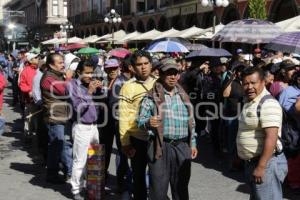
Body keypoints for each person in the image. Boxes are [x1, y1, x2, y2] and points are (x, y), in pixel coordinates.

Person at [137, 59, 198, 200]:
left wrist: (193, 143)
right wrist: (148, 122)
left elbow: (192, 122)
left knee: (181, 188)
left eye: (175, 73)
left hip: (182, 146)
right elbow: (139, 121)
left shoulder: (184, 96)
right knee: (158, 190)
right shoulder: (151, 96)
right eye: (168, 73)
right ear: (161, 75)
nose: (172, 77)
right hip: (160, 146)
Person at [237, 67, 288, 200]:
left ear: (263, 82)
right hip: (253, 163)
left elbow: (271, 137)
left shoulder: (268, 103)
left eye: (253, 83)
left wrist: (261, 167)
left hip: (266, 164)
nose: (249, 87)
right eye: (246, 83)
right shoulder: (249, 101)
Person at [119, 50, 156, 200]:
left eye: (146, 63)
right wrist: (125, 142)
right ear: (133, 68)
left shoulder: (158, 83)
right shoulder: (128, 87)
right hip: (137, 139)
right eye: (139, 64)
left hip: (156, 139)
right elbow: (124, 116)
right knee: (139, 176)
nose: (143, 67)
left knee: (157, 177)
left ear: (151, 65)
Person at [68, 60, 102, 200]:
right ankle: (76, 190)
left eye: (91, 72)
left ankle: (93, 189)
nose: (90, 75)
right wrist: (89, 92)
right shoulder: (72, 86)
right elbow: (78, 107)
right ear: (78, 73)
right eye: (87, 73)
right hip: (82, 127)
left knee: (94, 159)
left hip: (94, 127)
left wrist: (100, 89)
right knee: (80, 160)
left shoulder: (90, 84)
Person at [41, 53, 73, 184]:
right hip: (55, 117)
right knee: (57, 146)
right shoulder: (48, 78)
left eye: (63, 62)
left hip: (63, 115)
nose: (63, 65)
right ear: (50, 64)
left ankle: (66, 172)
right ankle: (54, 174)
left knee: (62, 145)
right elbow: (64, 91)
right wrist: (69, 78)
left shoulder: (58, 75)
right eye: (59, 62)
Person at [18, 53, 39, 138]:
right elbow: (21, 84)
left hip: (40, 99)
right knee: (29, 120)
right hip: (29, 100)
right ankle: (28, 137)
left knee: (38, 120)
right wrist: (29, 90)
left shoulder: (39, 69)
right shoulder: (26, 70)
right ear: (30, 60)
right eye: (35, 57)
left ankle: (38, 138)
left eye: (38, 57)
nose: (38, 58)